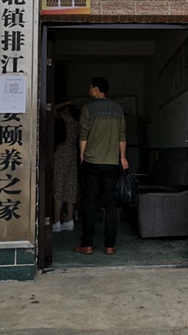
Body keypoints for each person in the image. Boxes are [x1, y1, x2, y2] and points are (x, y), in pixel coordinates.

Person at [74, 76, 128, 256]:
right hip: (112, 162)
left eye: (90, 87)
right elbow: (122, 135)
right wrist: (122, 157)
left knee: (89, 203)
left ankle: (87, 244)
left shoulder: (88, 108)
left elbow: (83, 134)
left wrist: (81, 155)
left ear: (96, 89)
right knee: (111, 204)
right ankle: (110, 246)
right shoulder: (118, 109)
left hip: (92, 162)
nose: (89, 90)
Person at [52, 101, 80, 233]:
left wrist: (66, 103)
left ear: (67, 110)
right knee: (70, 187)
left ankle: (56, 222)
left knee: (59, 188)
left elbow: (52, 108)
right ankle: (69, 220)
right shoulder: (77, 123)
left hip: (60, 154)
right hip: (73, 155)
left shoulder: (62, 119)